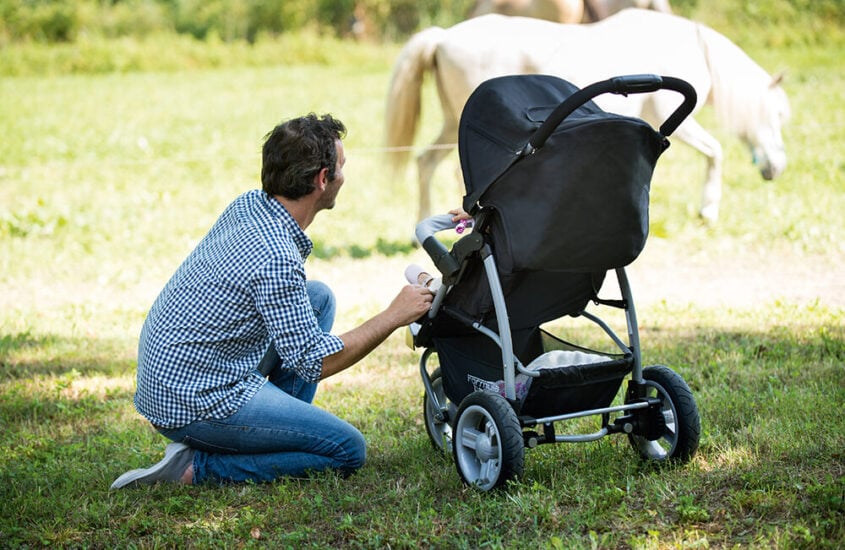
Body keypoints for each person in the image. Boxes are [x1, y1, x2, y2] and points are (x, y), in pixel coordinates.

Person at [110, 113, 434, 489]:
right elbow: (315, 361)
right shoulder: (276, 254)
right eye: (341, 167)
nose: (345, 175)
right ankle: (196, 469)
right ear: (322, 180)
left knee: (318, 299)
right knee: (346, 450)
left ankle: (273, 430)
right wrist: (393, 316)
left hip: (182, 374)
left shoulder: (251, 204)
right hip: (192, 402)